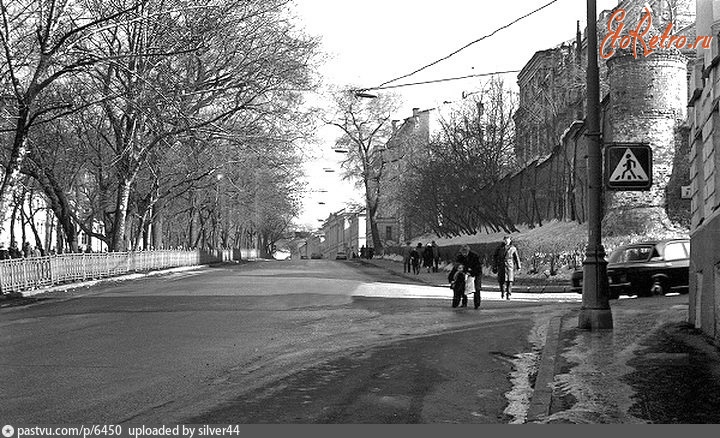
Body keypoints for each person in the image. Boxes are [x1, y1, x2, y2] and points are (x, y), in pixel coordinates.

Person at [456, 244, 482, 309]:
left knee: (477, 288)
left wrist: (471, 273)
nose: (464, 254)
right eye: (463, 253)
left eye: (465, 252)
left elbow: (478, 267)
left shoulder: (475, 256)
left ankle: (477, 304)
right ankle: (464, 302)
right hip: (465, 273)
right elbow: (458, 266)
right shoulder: (460, 257)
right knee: (463, 287)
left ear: (468, 251)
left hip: (476, 273)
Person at [496, 236, 521, 300]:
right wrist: (495, 265)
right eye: (505, 240)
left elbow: (516, 257)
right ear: (504, 240)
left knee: (510, 281)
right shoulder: (499, 248)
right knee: (502, 281)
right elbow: (495, 257)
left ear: (510, 240)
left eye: (508, 240)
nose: (507, 241)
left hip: (509, 266)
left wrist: (518, 266)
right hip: (501, 265)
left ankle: (508, 294)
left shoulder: (513, 248)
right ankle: (503, 292)